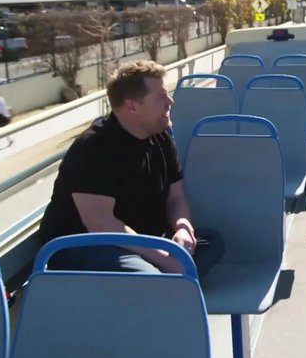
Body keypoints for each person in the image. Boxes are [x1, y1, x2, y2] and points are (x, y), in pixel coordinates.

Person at [39, 60, 224, 276]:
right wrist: (164, 259)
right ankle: (165, 283)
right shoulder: (94, 148)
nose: (170, 102)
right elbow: (100, 223)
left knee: (213, 241)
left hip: (142, 239)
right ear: (132, 106)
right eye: (161, 97)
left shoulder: (160, 138)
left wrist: (183, 228)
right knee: (148, 276)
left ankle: (165, 283)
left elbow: (176, 198)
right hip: (88, 245)